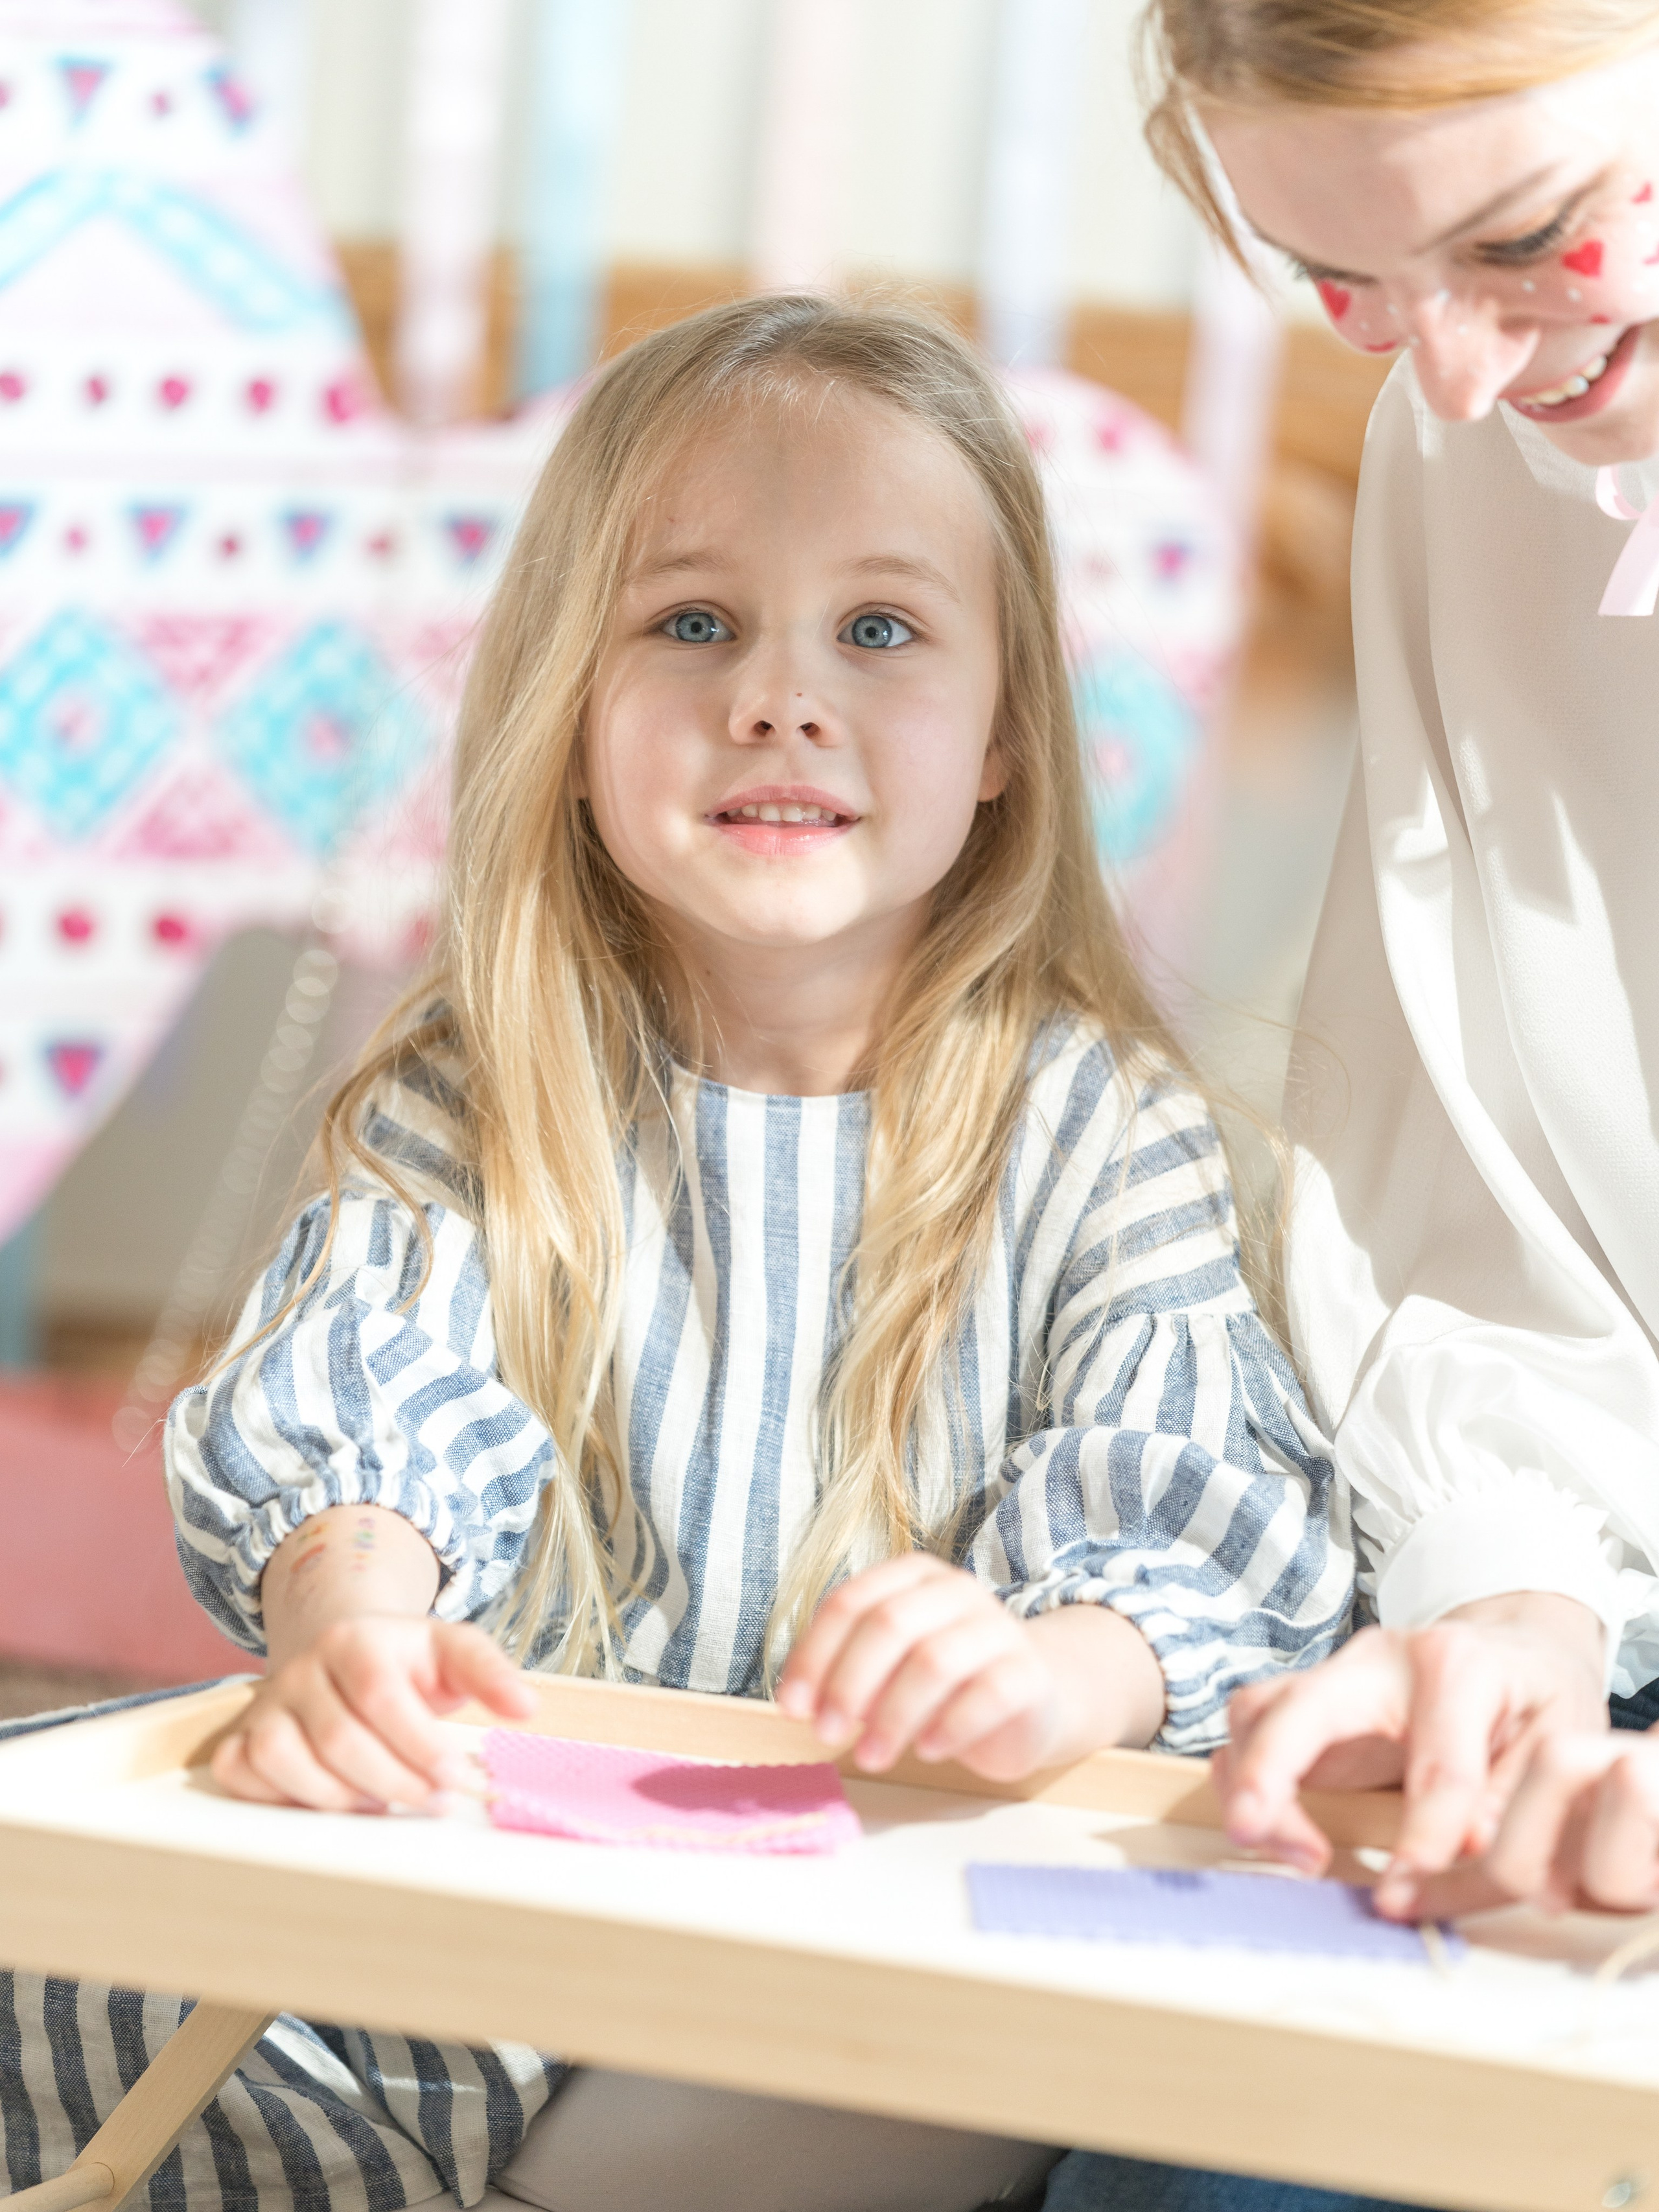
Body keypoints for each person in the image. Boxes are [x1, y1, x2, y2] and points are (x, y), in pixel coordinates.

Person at [159, 294, 1352, 2212]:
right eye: (693, 622)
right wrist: (353, 1612)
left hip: (875, 1943)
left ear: (1003, 744)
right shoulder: (485, 1098)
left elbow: (1213, 1504)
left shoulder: (1096, 1132)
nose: (777, 698)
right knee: (152, 1979)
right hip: (507, 1922)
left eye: (879, 631)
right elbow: (362, 1384)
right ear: (565, 708)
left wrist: (1058, 1671)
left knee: (1030, 2038)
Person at [1138, 0, 1659, 1938]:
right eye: (1347, 283)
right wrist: (1510, 1599)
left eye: (1528, 237)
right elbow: (1484, 1195)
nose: (1448, 372)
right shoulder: (1488, 452)